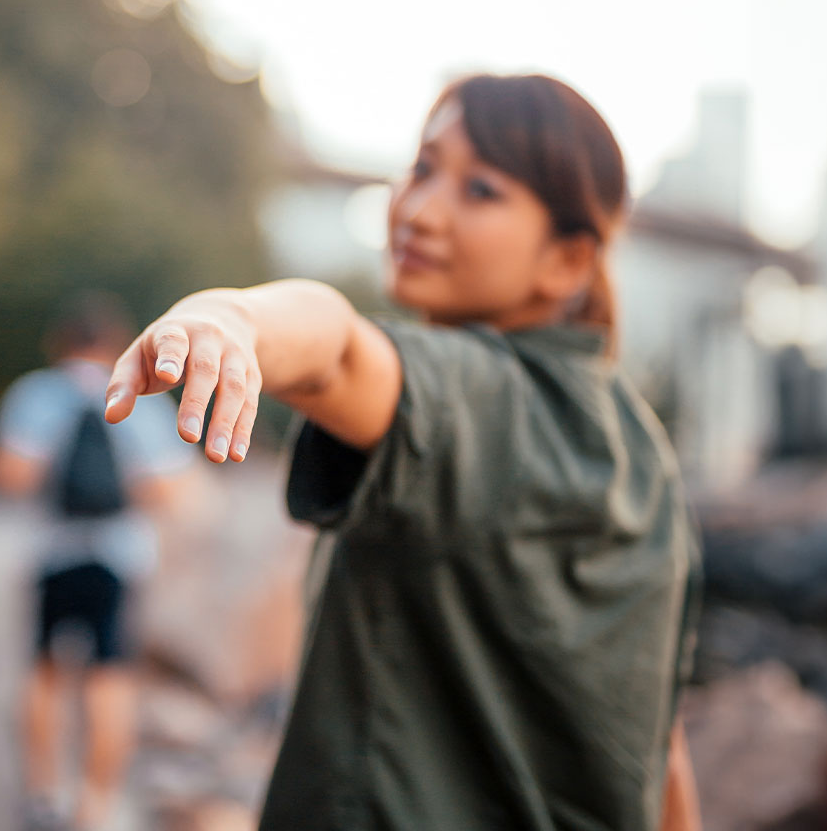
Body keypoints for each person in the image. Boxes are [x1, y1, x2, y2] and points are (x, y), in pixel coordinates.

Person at [104, 75, 703, 831]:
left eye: (480, 190)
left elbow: (338, 350)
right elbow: (658, 741)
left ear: (566, 261)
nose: (419, 211)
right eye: (422, 169)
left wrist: (232, 316)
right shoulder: (643, 451)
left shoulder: (482, 393)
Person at [0, 292, 194, 831]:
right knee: (110, 678)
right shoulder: (143, 397)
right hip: (119, 558)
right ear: (115, 343)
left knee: (46, 671)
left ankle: (43, 794)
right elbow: (173, 492)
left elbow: (9, 476)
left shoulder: (35, 393)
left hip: (51, 553)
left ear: (60, 344)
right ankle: (96, 804)